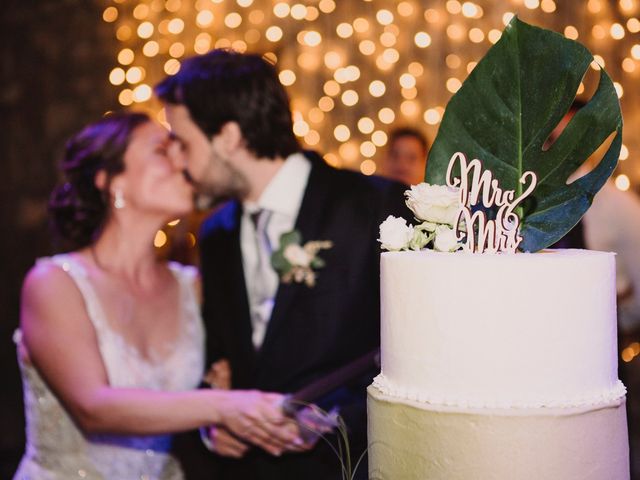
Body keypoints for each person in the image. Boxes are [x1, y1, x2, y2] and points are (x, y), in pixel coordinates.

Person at [156, 50, 408, 480]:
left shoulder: (374, 207)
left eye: (182, 141)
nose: (177, 160)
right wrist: (215, 426)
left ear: (228, 137)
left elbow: (414, 351)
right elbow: (216, 357)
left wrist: (332, 420)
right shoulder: (216, 232)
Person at [13, 112, 301, 480]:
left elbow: (191, 401)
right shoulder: (54, 284)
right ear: (110, 180)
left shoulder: (192, 287)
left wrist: (212, 427)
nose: (181, 161)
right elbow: (93, 407)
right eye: (161, 150)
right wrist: (221, 406)